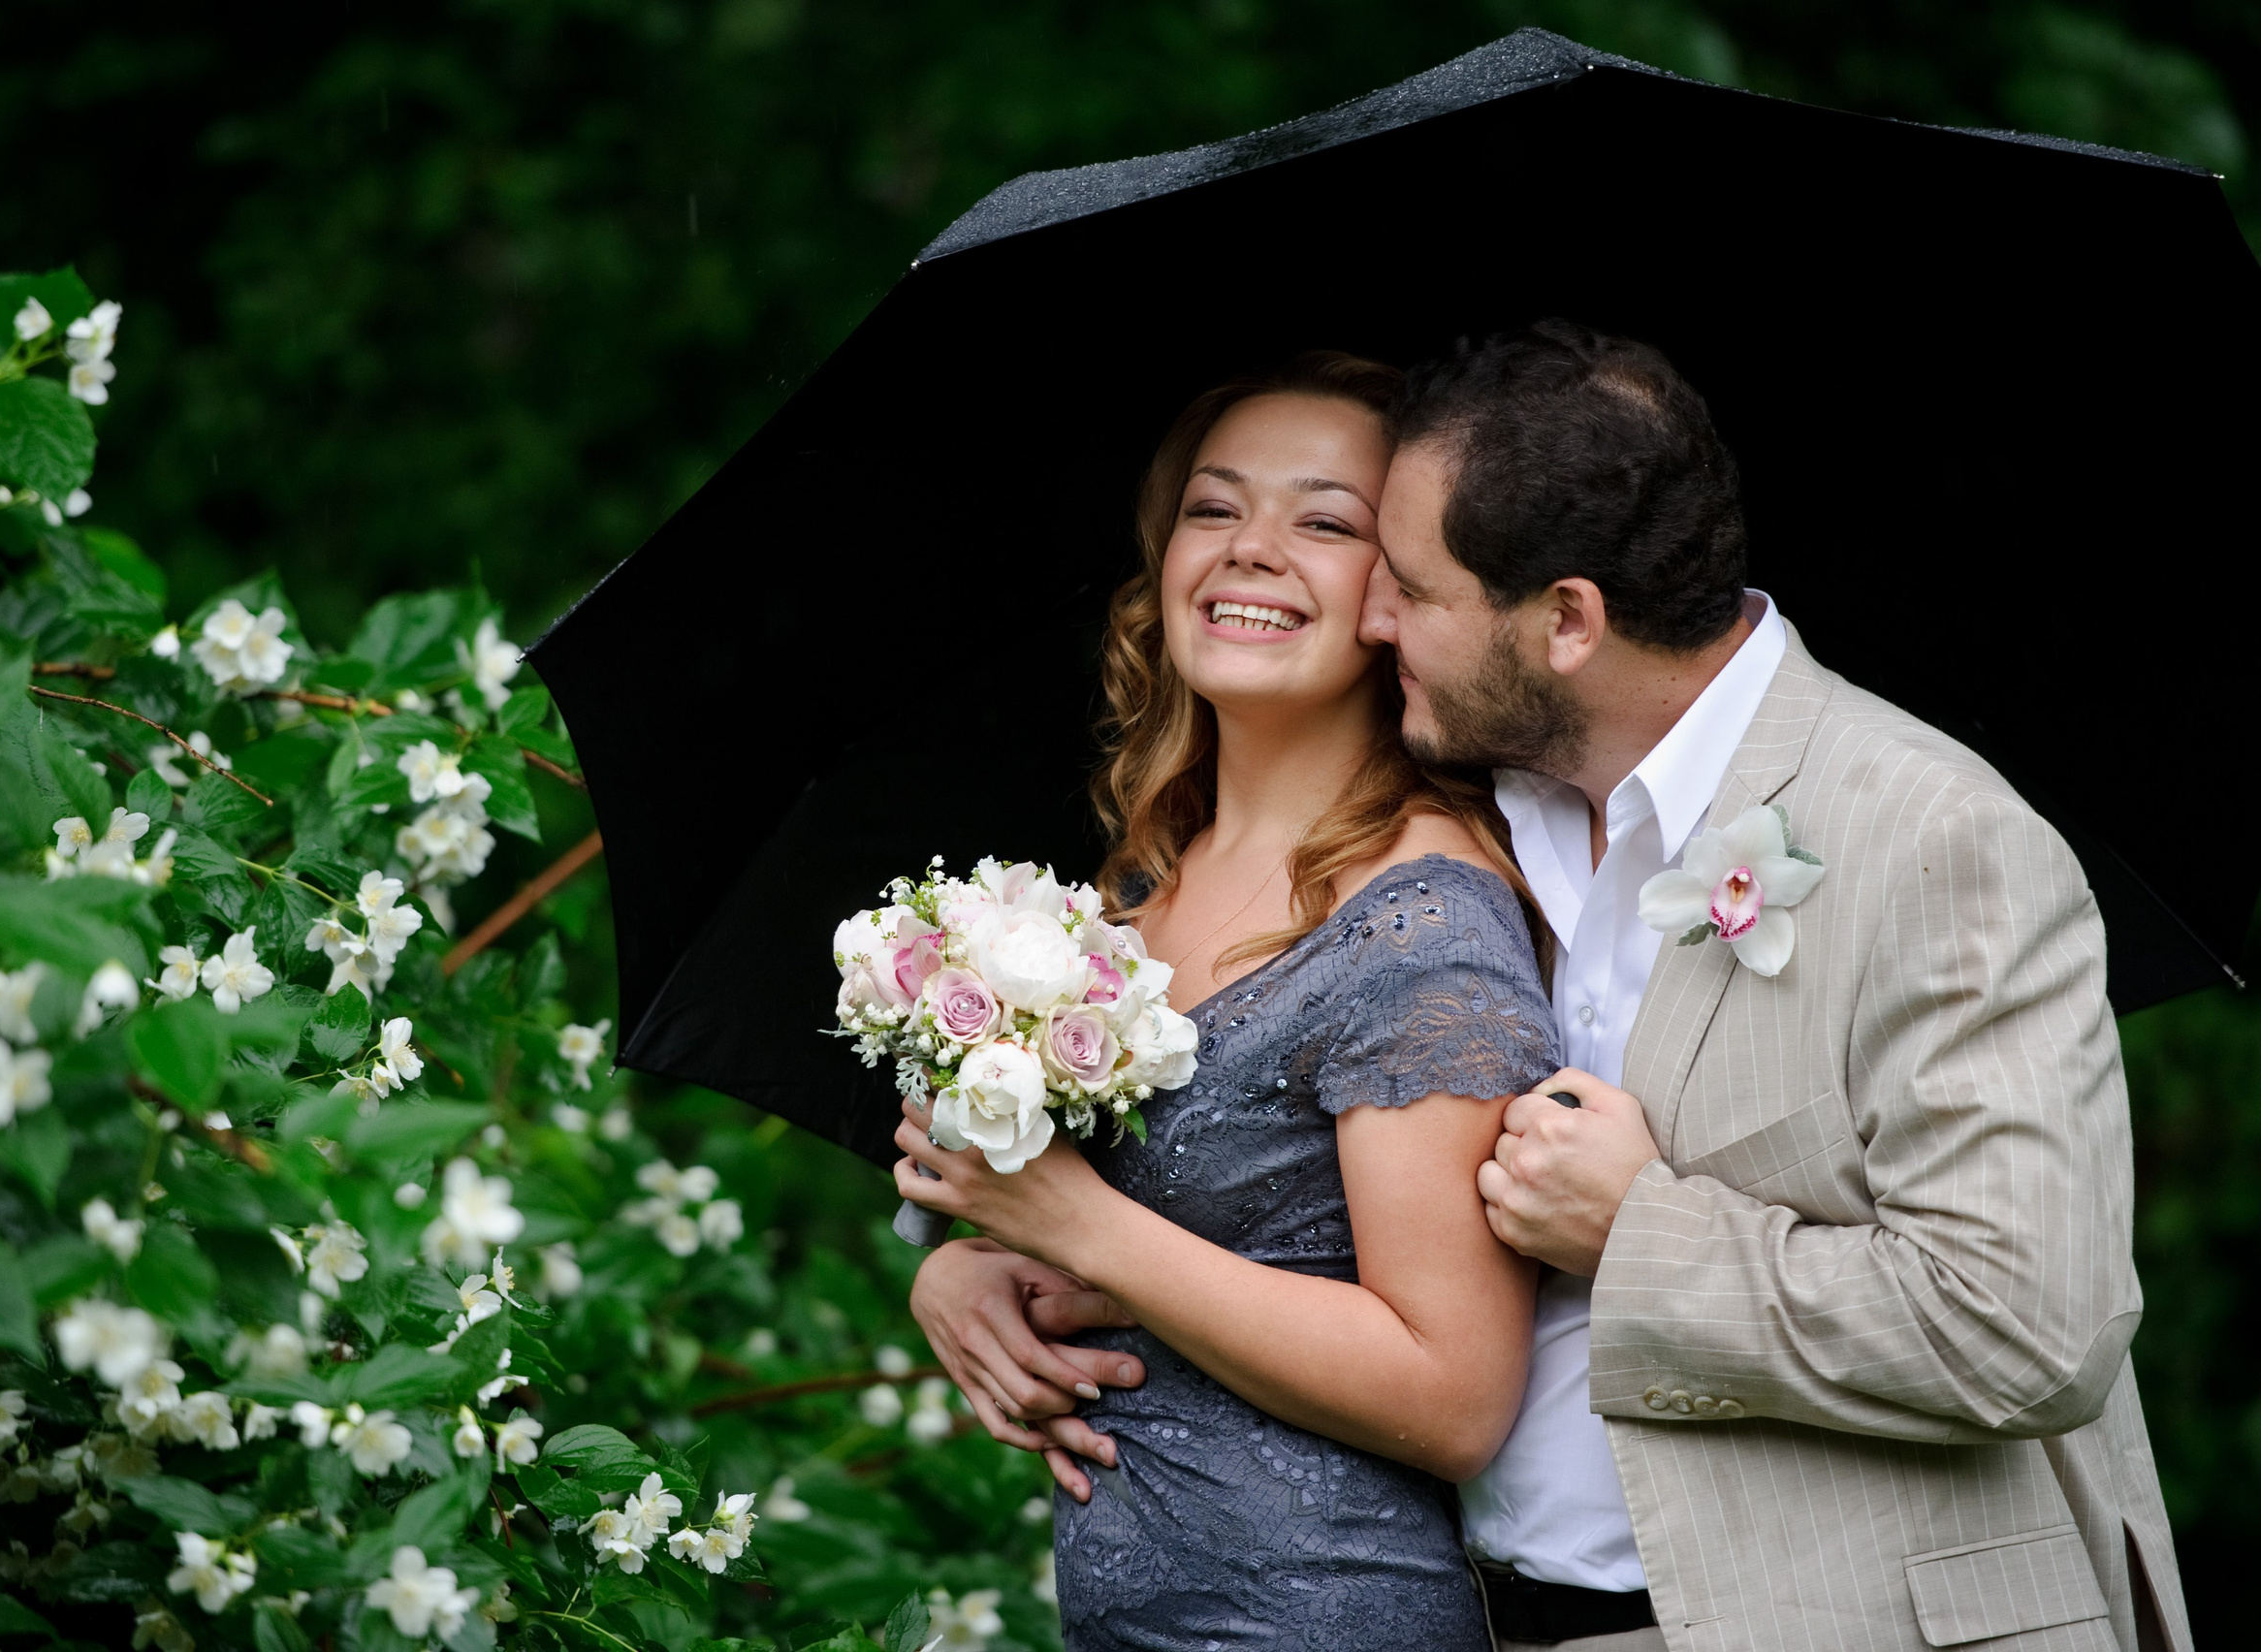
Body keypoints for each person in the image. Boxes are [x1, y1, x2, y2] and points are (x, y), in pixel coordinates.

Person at [1359, 319, 2191, 1652]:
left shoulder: (1933, 836)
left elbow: (2031, 1327)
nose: (1369, 617)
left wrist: (1639, 1231)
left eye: (1414, 588)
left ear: (1567, 619)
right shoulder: (1441, 818)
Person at [893, 350, 1562, 1650]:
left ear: (1401, 596)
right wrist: (963, 1271)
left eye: (1325, 521)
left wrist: (1081, 1231)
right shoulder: (1133, 891)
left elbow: (1455, 1385)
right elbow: (1114, 1235)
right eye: (1215, 507)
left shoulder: (1424, 923)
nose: (1253, 549)